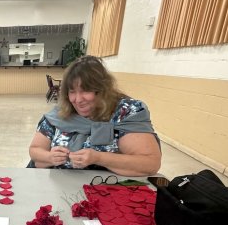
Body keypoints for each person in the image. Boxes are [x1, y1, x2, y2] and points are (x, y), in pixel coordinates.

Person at [28, 56, 161, 176]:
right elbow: (35, 150)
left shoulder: (126, 113)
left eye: (85, 91)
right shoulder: (60, 113)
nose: (78, 100)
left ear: (102, 90)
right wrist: (49, 157)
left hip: (106, 190)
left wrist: (99, 158)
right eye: (72, 92)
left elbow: (149, 164)